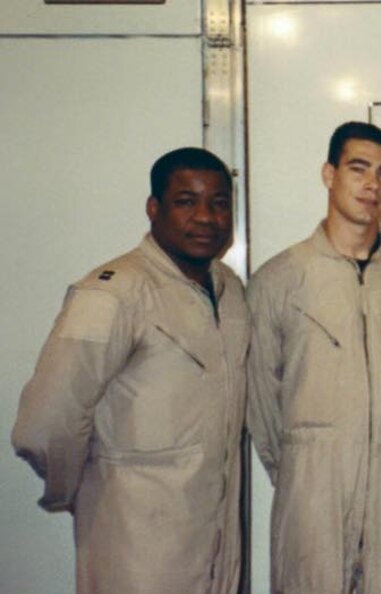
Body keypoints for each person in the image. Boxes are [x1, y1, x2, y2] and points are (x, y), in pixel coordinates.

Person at [12, 148, 246, 594]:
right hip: (134, 549)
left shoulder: (230, 292)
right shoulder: (112, 294)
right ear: (154, 209)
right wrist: (76, 493)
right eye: (185, 201)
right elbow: (44, 423)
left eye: (218, 203)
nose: (205, 217)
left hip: (215, 545)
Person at [247, 121, 381, 594]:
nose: (373, 185)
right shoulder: (280, 279)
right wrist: (308, 462)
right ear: (329, 174)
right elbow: (261, 401)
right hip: (312, 490)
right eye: (358, 169)